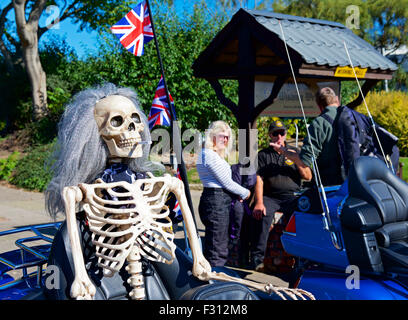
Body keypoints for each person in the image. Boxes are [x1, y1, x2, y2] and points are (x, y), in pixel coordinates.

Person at [249, 119, 304, 270]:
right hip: (271, 197)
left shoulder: (295, 152)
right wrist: (259, 202)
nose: (279, 136)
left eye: (282, 133)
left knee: (302, 215)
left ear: (286, 135)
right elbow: (259, 179)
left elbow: (308, 176)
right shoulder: (263, 155)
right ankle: (257, 257)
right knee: (262, 214)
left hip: (292, 196)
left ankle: (300, 258)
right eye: (275, 133)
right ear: (270, 136)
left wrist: (295, 160)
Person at [197, 120, 251, 267]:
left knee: (217, 244)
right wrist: (246, 193)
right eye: (221, 136)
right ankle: (214, 283)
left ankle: (212, 278)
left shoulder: (212, 154)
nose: (225, 140)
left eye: (227, 137)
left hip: (218, 200)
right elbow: (227, 182)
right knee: (217, 249)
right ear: (212, 136)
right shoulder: (208, 154)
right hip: (216, 201)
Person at [272, 87, 343, 187]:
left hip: (332, 185)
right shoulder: (354, 118)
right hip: (358, 182)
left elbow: (305, 160)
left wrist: (284, 151)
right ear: (337, 100)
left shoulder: (320, 122)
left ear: (319, 105)